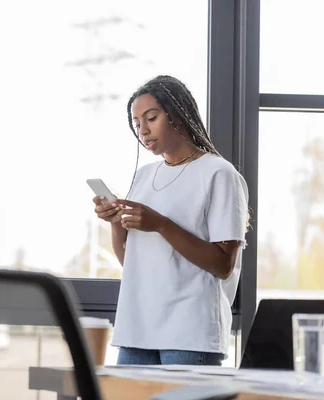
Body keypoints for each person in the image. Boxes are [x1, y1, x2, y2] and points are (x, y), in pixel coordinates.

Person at [92, 75, 249, 366]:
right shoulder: (144, 176)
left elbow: (223, 265)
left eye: (151, 118)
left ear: (178, 114)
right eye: (137, 123)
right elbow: (131, 259)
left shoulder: (219, 174)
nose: (143, 130)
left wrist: (161, 224)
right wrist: (116, 221)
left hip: (190, 333)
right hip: (136, 330)